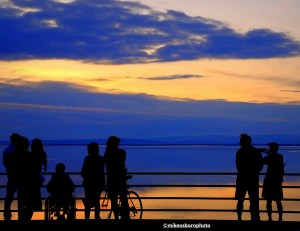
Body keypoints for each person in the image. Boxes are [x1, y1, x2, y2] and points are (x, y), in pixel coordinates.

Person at [234, 133, 263, 221]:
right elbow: (260, 165)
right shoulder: (255, 151)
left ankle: (239, 218)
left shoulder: (240, 151)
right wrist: (255, 172)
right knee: (253, 200)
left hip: (242, 178)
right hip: (252, 179)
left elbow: (238, 165)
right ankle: (254, 218)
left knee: (241, 199)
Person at [104, 136, 130, 220]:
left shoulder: (107, 153)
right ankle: (126, 216)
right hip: (121, 178)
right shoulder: (122, 152)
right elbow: (122, 164)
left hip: (112, 179)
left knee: (114, 200)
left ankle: (116, 217)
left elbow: (105, 164)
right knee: (123, 198)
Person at [81, 142, 105, 220]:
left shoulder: (87, 158)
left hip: (89, 183)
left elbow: (83, 171)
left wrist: (85, 176)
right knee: (97, 201)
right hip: (99, 183)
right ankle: (96, 217)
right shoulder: (101, 159)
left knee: (88, 203)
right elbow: (101, 172)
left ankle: (87, 218)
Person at [262, 142, 285, 221]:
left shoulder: (278, 157)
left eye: (271, 148)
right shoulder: (275, 157)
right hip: (274, 180)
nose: (270, 149)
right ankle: (272, 218)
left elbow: (262, 161)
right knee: (272, 201)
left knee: (275, 201)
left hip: (272, 180)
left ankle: (278, 218)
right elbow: (261, 161)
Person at [2, 133, 21, 221]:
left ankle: (7, 213)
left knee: (9, 196)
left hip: (10, 175)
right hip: (19, 177)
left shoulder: (6, 150)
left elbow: (5, 163)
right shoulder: (17, 150)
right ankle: (21, 213)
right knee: (21, 196)